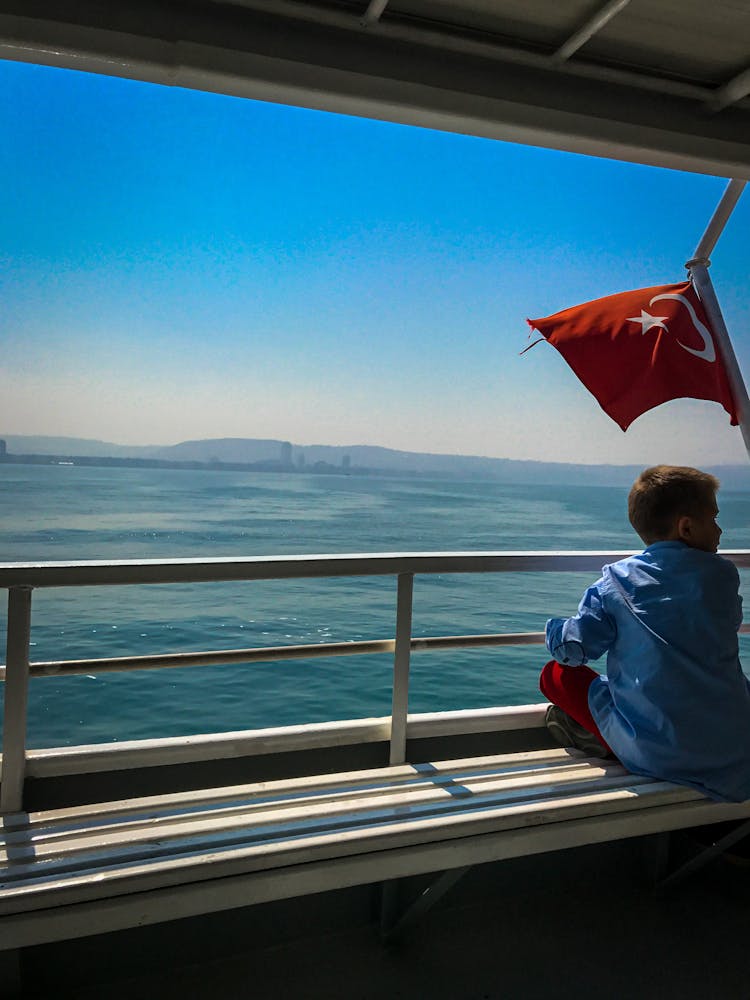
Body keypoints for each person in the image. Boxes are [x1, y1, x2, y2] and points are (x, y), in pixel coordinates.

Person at [540, 464, 750, 803]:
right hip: (734, 752)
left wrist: (554, 631)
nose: (720, 529)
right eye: (713, 519)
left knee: (556, 674)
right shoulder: (723, 576)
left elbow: (576, 649)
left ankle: (600, 740)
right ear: (685, 527)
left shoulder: (617, 581)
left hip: (658, 757)